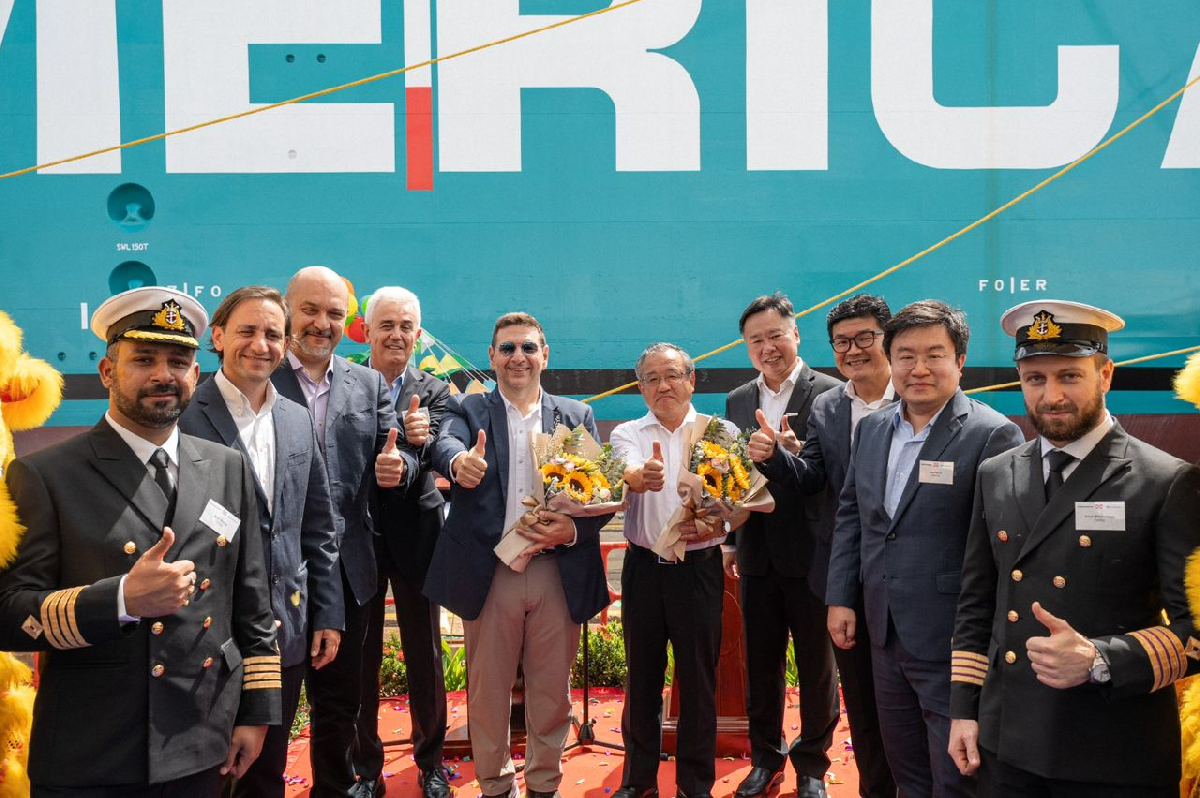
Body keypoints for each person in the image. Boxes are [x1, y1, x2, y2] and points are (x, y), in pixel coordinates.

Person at [0, 286, 281, 795]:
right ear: (108, 371)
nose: (162, 375)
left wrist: (256, 713)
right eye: (143, 359)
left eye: (178, 362)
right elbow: (8, 613)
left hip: (202, 738)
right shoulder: (45, 475)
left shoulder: (227, 468)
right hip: (93, 749)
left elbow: (252, 603)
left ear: (196, 375)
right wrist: (122, 600)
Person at [948, 300, 1200, 797]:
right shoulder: (996, 473)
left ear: (1105, 374)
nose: (1052, 395)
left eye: (1069, 375)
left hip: (1113, 751)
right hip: (1007, 744)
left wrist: (1099, 658)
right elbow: (976, 605)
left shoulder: (1167, 481)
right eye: (1035, 379)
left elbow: (1195, 631)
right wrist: (963, 710)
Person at [825, 299, 1024, 797]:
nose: (919, 369)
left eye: (935, 355)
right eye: (906, 356)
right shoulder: (872, 428)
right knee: (905, 771)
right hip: (883, 632)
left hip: (951, 640)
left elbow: (1003, 552)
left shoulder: (992, 434)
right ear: (890, 360)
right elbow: (853, 515)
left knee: (955, 778)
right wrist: (841, 596)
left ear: (960, 361)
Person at [425, 312, 613, 798]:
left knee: (552, 690)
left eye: (528, 347)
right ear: (491, 357)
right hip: (491, 574)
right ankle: (495, 785)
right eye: (507, 348)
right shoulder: (468, 409)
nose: (518, 357)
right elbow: (444, 442)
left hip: (556, 571)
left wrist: (572, 529)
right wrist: (458, 462)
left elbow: (600, 495)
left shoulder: (575, 415)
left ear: (544, 355)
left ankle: (544, 784)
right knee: (488, 691)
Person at [178, 285, 344, 798]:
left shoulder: (295, 418)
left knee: (266, 776)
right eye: (247, 331)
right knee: (204, 778)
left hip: (282, 635)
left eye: (273, 334)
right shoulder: (183, 415)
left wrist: (327, 612)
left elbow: (317, 525)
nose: (261, 344)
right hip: (206, 637)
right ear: (218, 337)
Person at [272, 266, 417, 798]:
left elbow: (395, 454)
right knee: (268, 709)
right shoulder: (260, 378)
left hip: (348, 573)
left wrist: (398, 469)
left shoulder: (368, 383)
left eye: (334, 313)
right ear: (287, 310)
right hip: (275, 572)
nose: (321, 323)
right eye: (310, 310)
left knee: (339, 707)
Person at [748, 294, 897, 798]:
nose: (853, 350)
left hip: (897, 574)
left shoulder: (912, 398)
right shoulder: (831, 407)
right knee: (860, 699)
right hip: (835, 570)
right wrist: (773, 457)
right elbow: (813, 476)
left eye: (864, 338)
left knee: (907, 701)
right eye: (842, 342)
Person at [723, 294, 841, 798]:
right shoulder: (736, 400)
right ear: (747, 347)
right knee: (761, 665)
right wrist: (731, 541)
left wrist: (791, 455)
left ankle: (812, 766)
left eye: (776, 335)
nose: (768, 347)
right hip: (756, 551)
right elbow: (733, 474)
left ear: (796, 334)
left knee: (817, 668)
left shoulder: (831, 394)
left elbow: (832, 477)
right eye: (756, 340)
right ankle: (765, 759)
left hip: (813, 551)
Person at [610, 342, 734, 798]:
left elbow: (737, 496)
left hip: (699, 571)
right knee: (642, 677)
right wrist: (640, 476)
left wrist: (721, 518)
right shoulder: (627, 432)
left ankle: (695, 785)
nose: (663, 386)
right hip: (644, 569)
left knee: (698, 680)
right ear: (641, 388)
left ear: (691, 380)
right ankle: (638, 782)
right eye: (652, 379)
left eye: (672, 375)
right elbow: (626, 468)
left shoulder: (720, 432)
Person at [361, 286, 452, 798]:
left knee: (426, 651)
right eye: (387, 325)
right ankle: (365, 768)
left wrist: (413, 447)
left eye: (406, 327)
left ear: (418, 334)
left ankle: (431, 762)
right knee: (362, 652)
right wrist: (396, 434)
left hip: (418, 533)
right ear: (366, 331)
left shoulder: (434, 390)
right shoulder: (347, 383)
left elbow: (433, 449)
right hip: (360, 535)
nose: (396, 335)